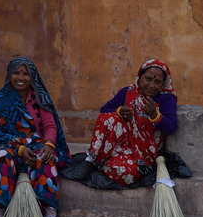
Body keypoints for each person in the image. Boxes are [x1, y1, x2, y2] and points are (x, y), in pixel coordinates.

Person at [0, 56, 71, 217]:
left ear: (32, 76)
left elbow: (50, 125)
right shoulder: (0, 100)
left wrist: (49, 144)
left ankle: (49, 210)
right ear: (10, 75)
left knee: (46, 157)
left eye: (26, 73)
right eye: (17, 72)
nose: (21, 77)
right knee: (2, 156)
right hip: (10, 144)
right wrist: (19, 149)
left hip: (37, 144)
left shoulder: (39, 97)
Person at [73, 58, 177, 186]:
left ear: (163, 84)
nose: (151, 85)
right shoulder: (128, 92)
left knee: (127, 172)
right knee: (108, 118)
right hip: (121, 144)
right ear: (139, 77)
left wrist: (154, 115)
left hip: (144, 152)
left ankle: (100, 161)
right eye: (148, 79)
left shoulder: (167, 99)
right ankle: (91, 159)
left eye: (157, 82)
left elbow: (171, 127)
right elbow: (104, 110)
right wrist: (119, 111)